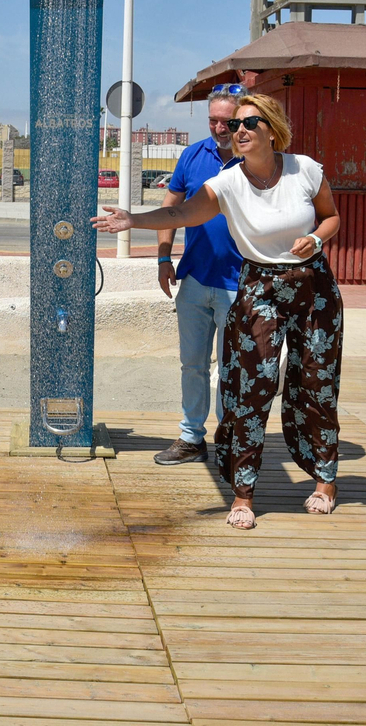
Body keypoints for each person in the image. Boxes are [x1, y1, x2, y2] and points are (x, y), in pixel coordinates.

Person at [93, 94, 341, 530]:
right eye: (235, 124)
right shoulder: (228, 180)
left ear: (272, 128)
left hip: (313, 287)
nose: (238, 131)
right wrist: (133, 220)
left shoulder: (306, 169)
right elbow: (183, 211)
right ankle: (242, 493)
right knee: (249, 386)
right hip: (258, 285)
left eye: (249, 123)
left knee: (315, 383)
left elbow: (331, 217)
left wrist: (317, 240)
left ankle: (324, 481)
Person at [152, 89, 244, 464]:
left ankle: (229, 439)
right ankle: (191, 437)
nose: (220, 128)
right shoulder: (191, 155)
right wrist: (163, 258)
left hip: (239, 283)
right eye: (213, 120)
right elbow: (169, 209)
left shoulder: (253, 159)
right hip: (193, 281)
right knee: (192, 364)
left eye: (228, 121)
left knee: (232, 368)